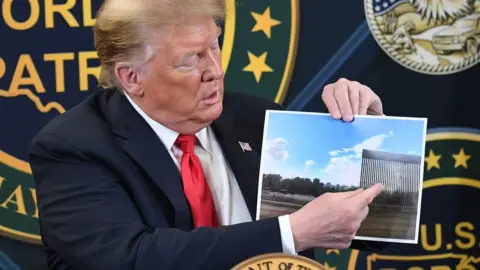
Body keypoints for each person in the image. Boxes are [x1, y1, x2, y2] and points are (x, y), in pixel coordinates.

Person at [27, 0, 386, 269]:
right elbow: (132, 259)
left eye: (214, 46)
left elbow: (380, 224)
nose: (214, 70)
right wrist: (289, 233)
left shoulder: (254, 118)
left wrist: (370, 135)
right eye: (190, 59)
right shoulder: (73, 148)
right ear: (131, 78)